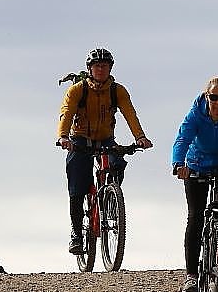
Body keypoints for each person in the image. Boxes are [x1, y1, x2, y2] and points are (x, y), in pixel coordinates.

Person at [57, 47, 153, 255]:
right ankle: (77, 233)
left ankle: (110, 199)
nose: (101, 69)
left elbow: (130, 114)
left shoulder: (117, 91)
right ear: (89, 69)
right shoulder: (77, 91)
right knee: (77, 185)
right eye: (97, 66)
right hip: (79, 140)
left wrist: (140, 137)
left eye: (105, 66)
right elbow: (66, 113)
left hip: (105, 139)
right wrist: (64, 137)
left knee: (117, 164)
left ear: (110, 68)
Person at [170, 76, 218, 292]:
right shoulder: (196, 114)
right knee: (196, 217)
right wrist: (178, 163)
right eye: (214, 97)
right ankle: (191, 275)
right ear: (207, 96)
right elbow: (182, 138)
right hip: (197, 165)